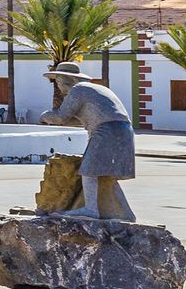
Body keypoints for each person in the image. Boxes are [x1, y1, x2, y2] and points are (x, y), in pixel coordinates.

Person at [37, 62, 136, 221]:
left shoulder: (78, 90)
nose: (59, 88)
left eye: (58, 82)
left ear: (63, 81)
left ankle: (90, 209)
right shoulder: (94, 89)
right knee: (105, 175)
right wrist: (55, 120)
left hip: (107, 129)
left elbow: (62, 117)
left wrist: (44, 116)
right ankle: (125, 213)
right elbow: (77, 120)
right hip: (123, 130)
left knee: (88, 169)